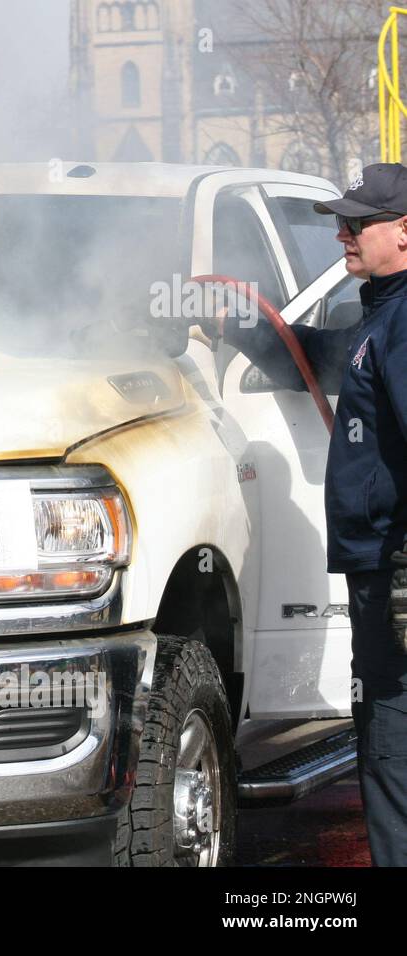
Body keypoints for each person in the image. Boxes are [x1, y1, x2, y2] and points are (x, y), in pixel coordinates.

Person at [210, 163, 407, 865]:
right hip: (379, 571)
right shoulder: (380, 316)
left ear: (406, 231)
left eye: (358, 225)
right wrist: (239, 324)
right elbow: (317, 356)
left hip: (395, 580)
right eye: (339, 223)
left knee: (391, 747)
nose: (342, 235)